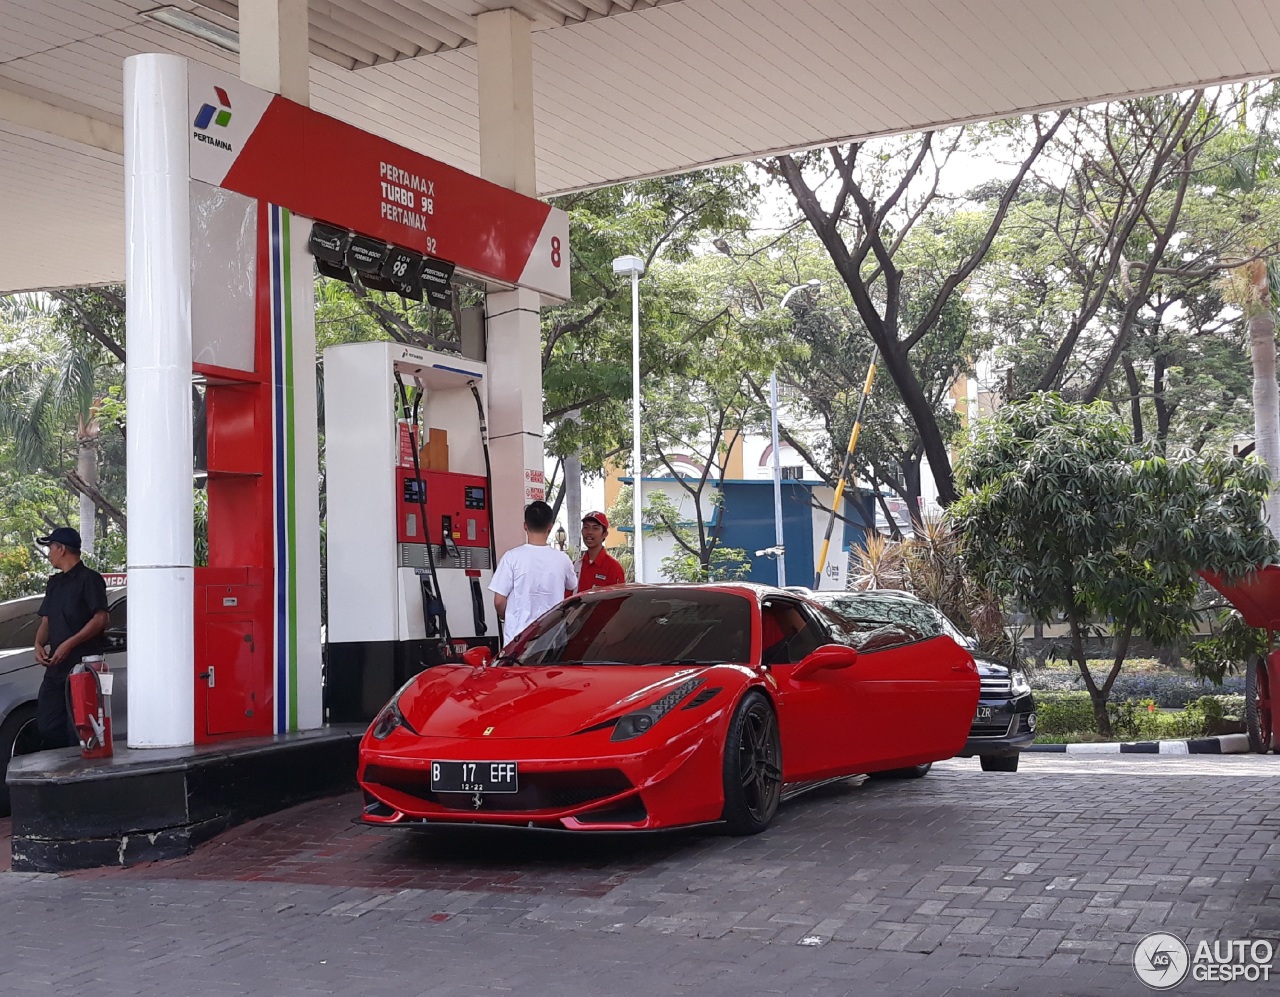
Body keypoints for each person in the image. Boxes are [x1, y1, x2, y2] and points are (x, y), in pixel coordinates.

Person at [33, 527, 108, 749]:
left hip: (82, 666)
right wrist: (38, 644)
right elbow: (47, 620)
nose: (49, 553)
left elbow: (101, 618)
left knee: (77, 726)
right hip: (56, 666)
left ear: (61, 549)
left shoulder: (90, 579)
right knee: (47, 723)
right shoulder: (54, 583)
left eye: (50, 548)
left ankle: (79, 770)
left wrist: (70, 642)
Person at [490, 501, 578, 644]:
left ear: (525, 526)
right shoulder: (562, 559)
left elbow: (499, 601)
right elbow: (572, 585)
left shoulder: (511, 557)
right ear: (550, 527)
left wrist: (508, 616)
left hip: (517, 641)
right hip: (551, 639)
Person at [575, 511, 627, 593]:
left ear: (605, 534)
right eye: (586, 527)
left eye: (595, 528)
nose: (589, 532)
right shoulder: (575, 566)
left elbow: (617, 601)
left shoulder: (613, 568)